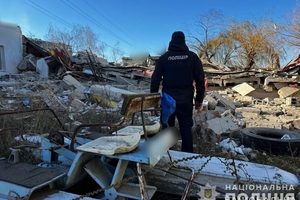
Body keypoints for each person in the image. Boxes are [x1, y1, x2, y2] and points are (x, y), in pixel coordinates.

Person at [150, 31, 205, 153]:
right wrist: (199, 100)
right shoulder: (192, 57)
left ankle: (165, 155)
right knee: (186, 129)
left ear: (172, 41)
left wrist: (153, 100)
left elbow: (155, 80)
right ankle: (188, 159)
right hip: (185, 99)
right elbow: (200, 80)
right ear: (184, 41)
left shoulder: (164, 58)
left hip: (168, 100)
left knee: (166, 128)